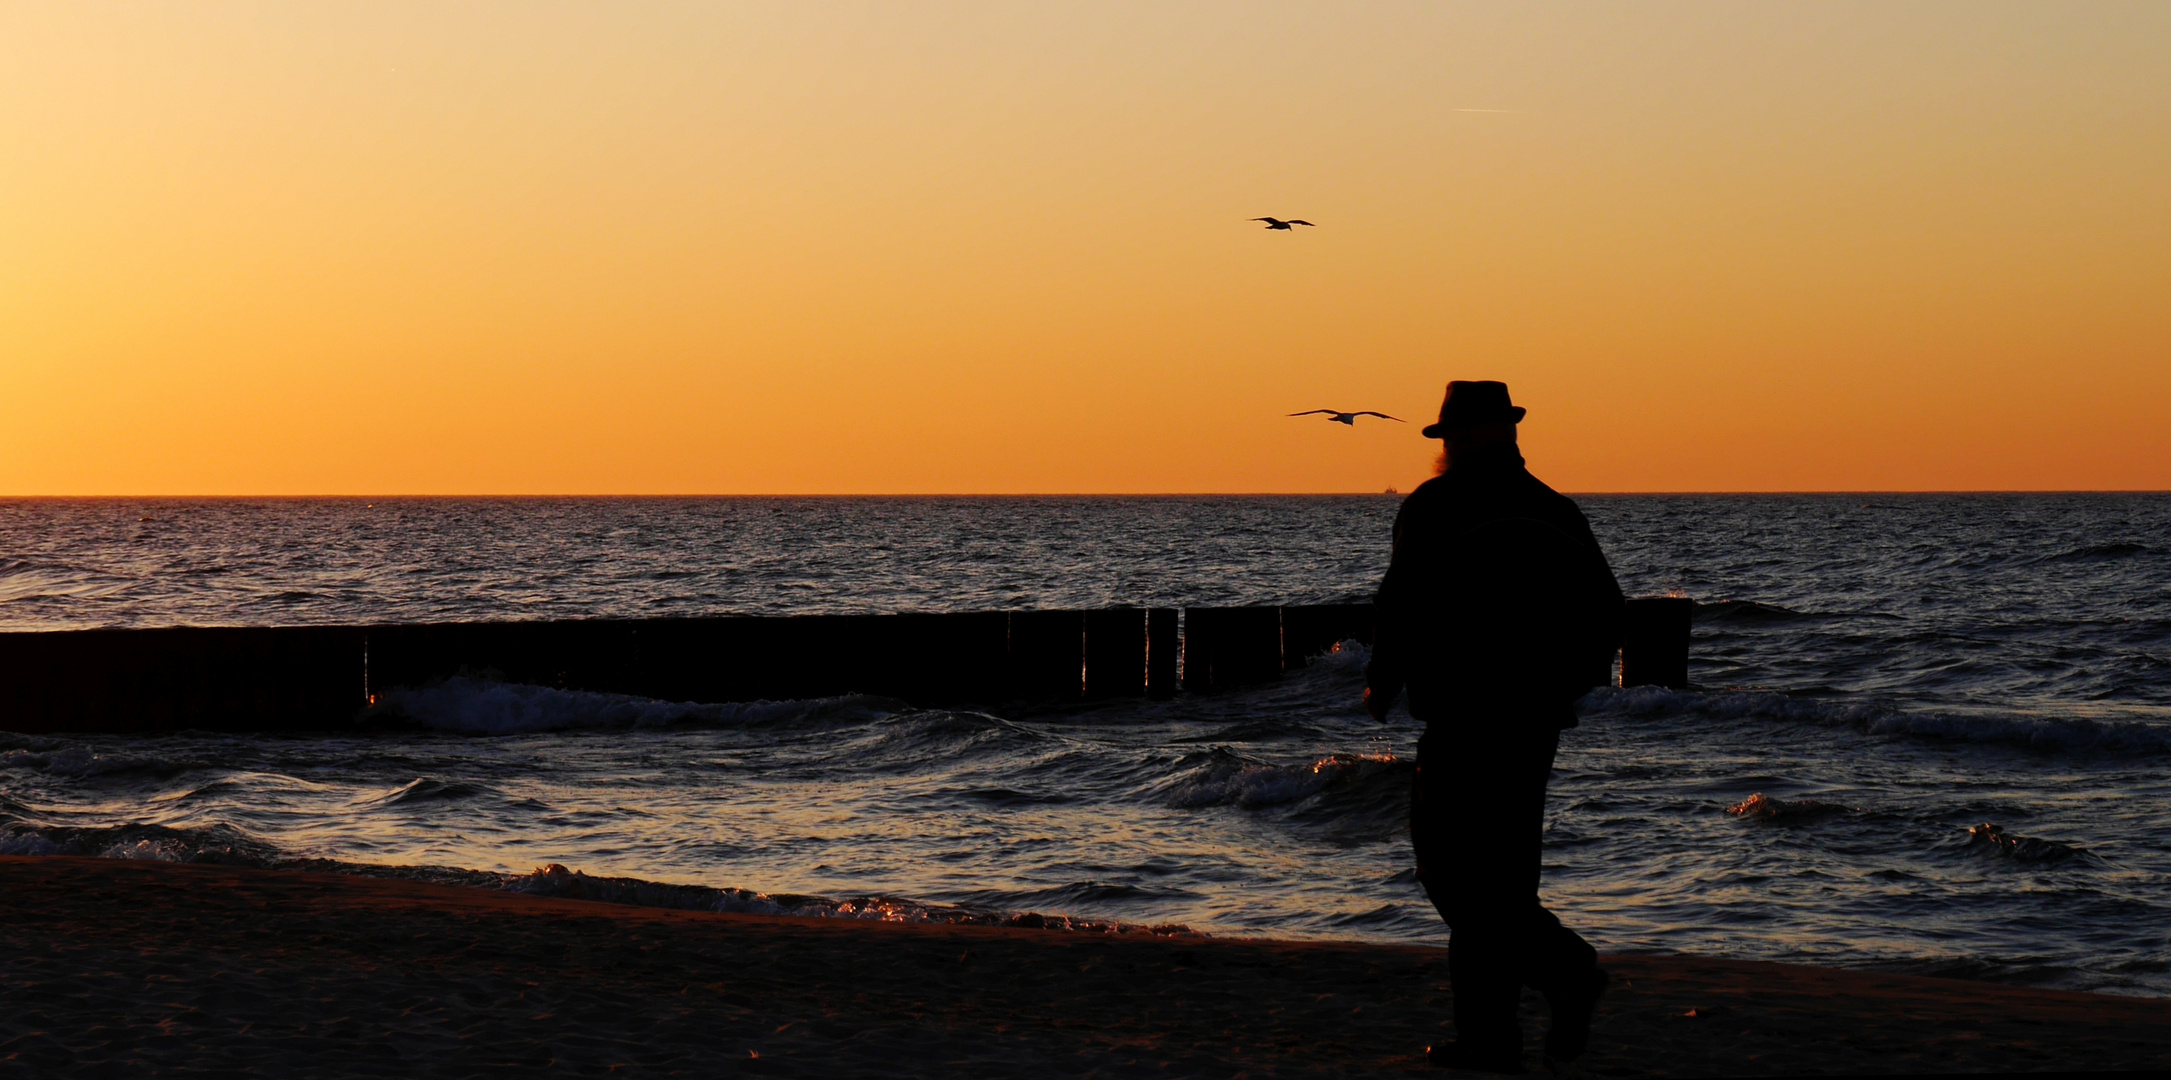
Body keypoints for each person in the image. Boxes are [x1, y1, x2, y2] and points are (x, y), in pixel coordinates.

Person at [1364, 380, 1624, 1074]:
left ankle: (1562, 972)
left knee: (1448, 871)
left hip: (1463, 713)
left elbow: (1401, 600)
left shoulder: (1436, 507)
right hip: (1533, 719)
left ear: (1478, 434)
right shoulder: (1553, 510)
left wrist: (1381, 679)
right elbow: (1606, 609)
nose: (1444, 448)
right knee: (1504, 880)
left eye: (1451, 435)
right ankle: (1491, 1036)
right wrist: (1567, 683)